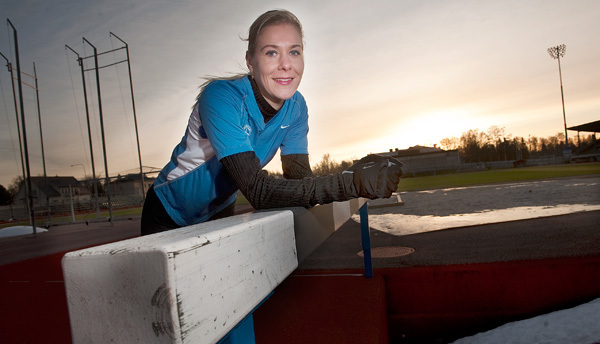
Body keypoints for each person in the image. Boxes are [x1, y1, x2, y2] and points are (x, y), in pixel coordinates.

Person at [141, 9, 402, 235]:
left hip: (219, 208)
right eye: (271, 53)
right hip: (168, 211)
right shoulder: (221, 97)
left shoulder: (297, 107)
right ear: (250, 61)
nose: (286, 65)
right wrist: (350, 184)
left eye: (294, 52)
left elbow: (299, 179)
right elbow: (258, 191)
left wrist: (350, 172)